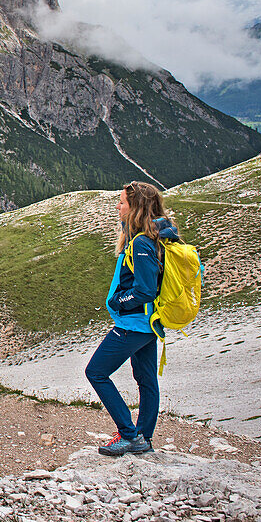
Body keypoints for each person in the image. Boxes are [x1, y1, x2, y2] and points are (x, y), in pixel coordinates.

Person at [86, 180, 181, 455]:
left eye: (122, 203)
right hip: (148, 324)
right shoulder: (154, 237)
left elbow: (145, 289)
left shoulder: (140, 243)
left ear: (135, 208)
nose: (117, 206)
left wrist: (118, 301)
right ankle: (144, 438)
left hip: (133, 324)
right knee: (147, 379)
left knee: (96, 372)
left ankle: (129, 434)